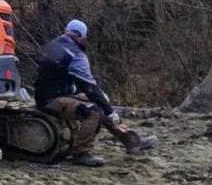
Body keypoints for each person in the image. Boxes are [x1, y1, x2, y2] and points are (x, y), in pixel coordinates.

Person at [35, 19, 158, 167]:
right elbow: (90, 87)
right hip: (51, 99)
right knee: (94, 111)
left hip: (51, 92)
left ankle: (130, 140)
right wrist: (110, 111)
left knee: (100, 102)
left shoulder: (54, 44)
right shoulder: (76, 56)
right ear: (82, 37)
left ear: (66, 31)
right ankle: (81, 153)